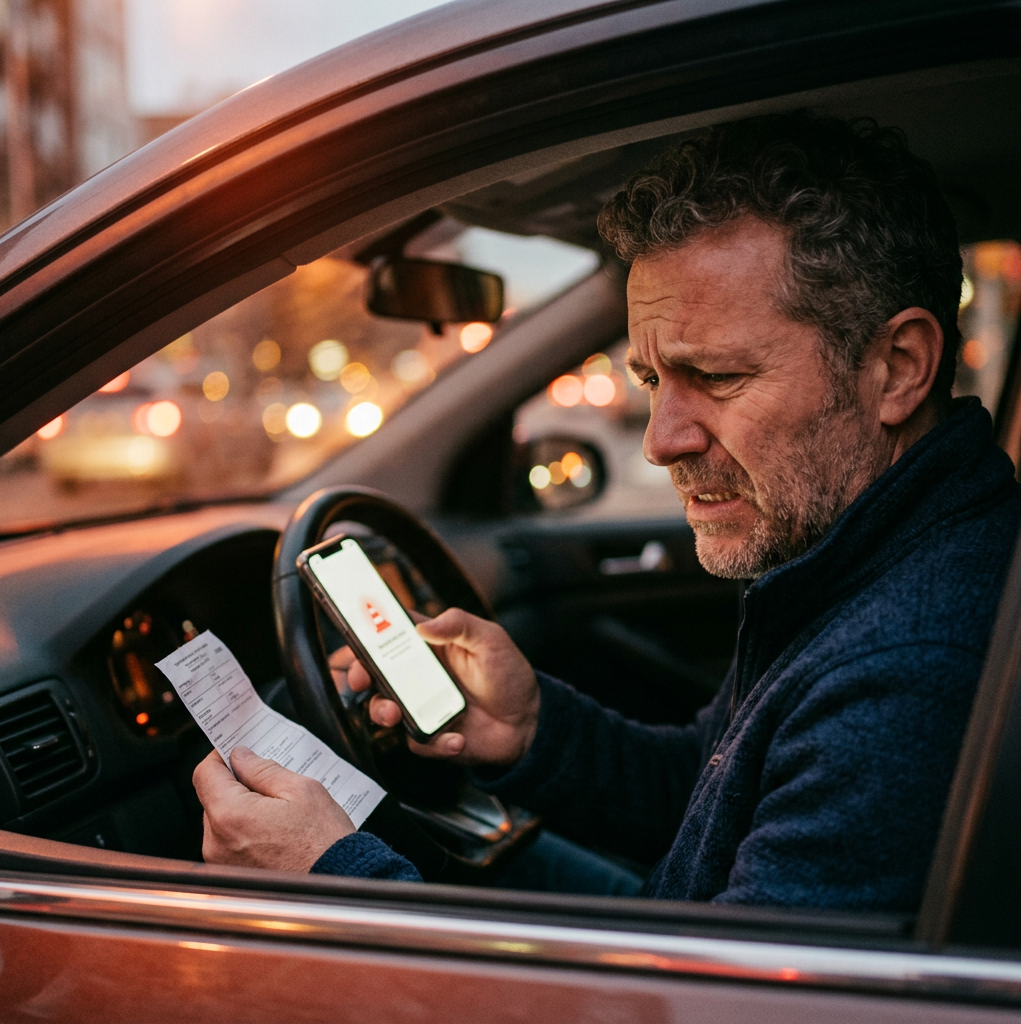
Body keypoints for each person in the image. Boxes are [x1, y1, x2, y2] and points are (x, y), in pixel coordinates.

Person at [193, 112, 1021, 911]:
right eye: (654, 382)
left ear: (899, 367)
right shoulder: (861, 558)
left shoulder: (909, 673)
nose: (662, 441)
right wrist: (531, 729)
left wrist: (334, 882)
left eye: (721, 378)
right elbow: (711, 794)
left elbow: (716, 1012)